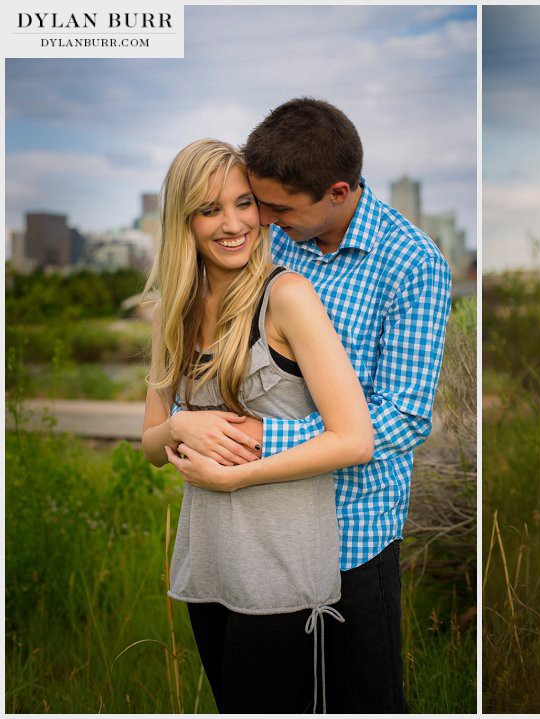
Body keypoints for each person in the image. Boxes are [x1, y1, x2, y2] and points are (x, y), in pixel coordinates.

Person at [164, 99, 453, 712]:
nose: (262, 218)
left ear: (338, 192)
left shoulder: (413, 265)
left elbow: (401, 414)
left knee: (360, 698)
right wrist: (183, 422)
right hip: (264, 527)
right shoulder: (277, 237)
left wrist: (256, 443)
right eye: (257, 203)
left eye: (276, 208)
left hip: (353, 530)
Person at [141, 139, 374, 713]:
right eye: (210, 209)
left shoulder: (287, 297)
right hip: (209, 565)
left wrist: (236, 478)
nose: (233, 224)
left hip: (281, 574)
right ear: (184, 221)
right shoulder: (174, 308)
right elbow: (149, 443)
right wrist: (179, 429)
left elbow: (355, 439)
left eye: (245, 204)